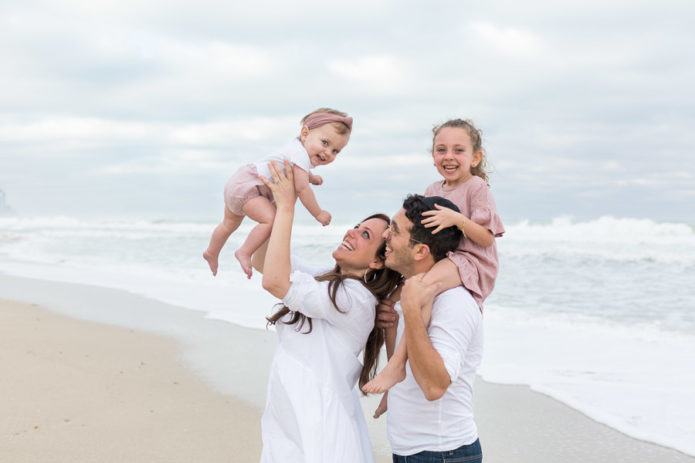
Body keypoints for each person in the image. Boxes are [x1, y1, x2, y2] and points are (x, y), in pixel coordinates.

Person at [251, 160, 401, 463]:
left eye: (366, 236)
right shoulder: (329, 280)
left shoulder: (356, 299)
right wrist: (273, 206)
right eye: (358, 226)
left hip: (319, 424)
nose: (352, 232)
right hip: (293, 415)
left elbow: (274, 281)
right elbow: (263, 261)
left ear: (376, 263)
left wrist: (288, 208)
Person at [363, 118, 504, 396]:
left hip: (471, 261)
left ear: (475, 157)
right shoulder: (432, 189)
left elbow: (487, 238)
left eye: (458, 150)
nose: (449, 157)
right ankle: (395, 370)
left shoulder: (477, 187)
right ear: (432, 155)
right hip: (442, 259)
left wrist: (457, 219)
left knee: (422, 291)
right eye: (441, 150)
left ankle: (396, 365)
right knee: (392, 304)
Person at [381, 194, 484, 462]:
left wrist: (412, 310)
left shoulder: (454, 303)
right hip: (416, 451)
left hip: (442, 453)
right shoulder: (413, 290)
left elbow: (434, 387)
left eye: (394, 230)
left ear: (420, 251)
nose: (385, 236)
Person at [204, 108, 353, 278]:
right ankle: (244, 252)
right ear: (305, 133)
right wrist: (318, 213)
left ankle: (211, 252)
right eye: (325, 143)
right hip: (250, 188)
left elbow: (299, 172)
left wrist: (312, 177)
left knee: (228, 225)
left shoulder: (296, 150)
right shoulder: (300, 154)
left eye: (335, 151)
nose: (328, 152)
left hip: (238, 182)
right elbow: (302, 188)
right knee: (270, 220)